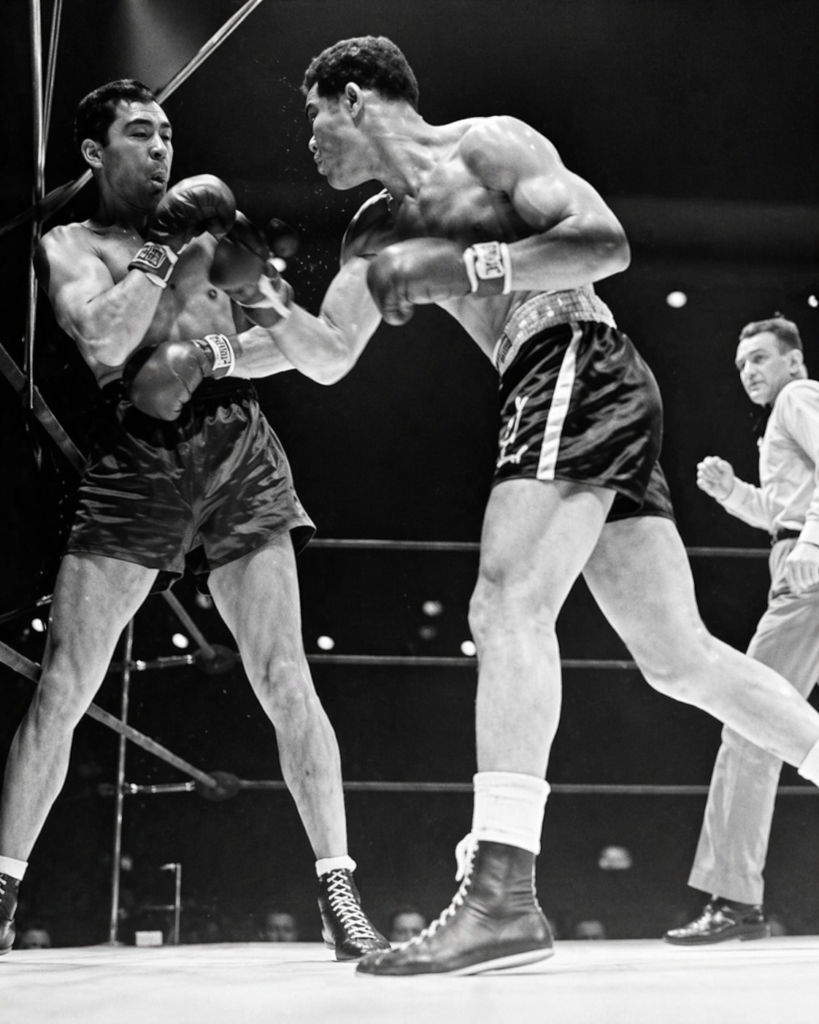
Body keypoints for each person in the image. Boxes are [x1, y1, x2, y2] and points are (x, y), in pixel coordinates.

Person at [289, 36, 819, 975]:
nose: (309, 142)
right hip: (552, 384)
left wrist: (464, 270)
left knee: (505, 604)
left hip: (570, 351)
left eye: (315, 115)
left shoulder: (487, 146)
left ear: (356, 96)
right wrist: (228, 318)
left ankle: (501, 890)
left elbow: (604, 244)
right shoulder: (372, 229)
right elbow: (330, 350)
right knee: (678, 659)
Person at [0, 78, 389, 962]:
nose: (163, 148)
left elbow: (290, 344)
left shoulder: (212, 231)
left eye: (168, 132)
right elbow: (102, 341)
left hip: (238, 446)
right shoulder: (71, 244)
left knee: (286, 674)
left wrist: (213, 344)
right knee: (64, 684)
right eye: (141, 133)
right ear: (95, 153)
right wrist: (163, 253)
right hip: (135, 459)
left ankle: (340, 890)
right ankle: (2, 889)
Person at [665, 316, 819, 946]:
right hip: (798, 559)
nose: (750, 371)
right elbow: (785, 510)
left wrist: (815, 541)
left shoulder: (798, 397)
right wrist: (736, 496)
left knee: (750, 725)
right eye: (742, 365)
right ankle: (735, 898)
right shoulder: (786, 410)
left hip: (807, 576)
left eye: (760, 358)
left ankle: (734, 899)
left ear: (793, 361)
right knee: (758, 726)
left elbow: (802, 518)